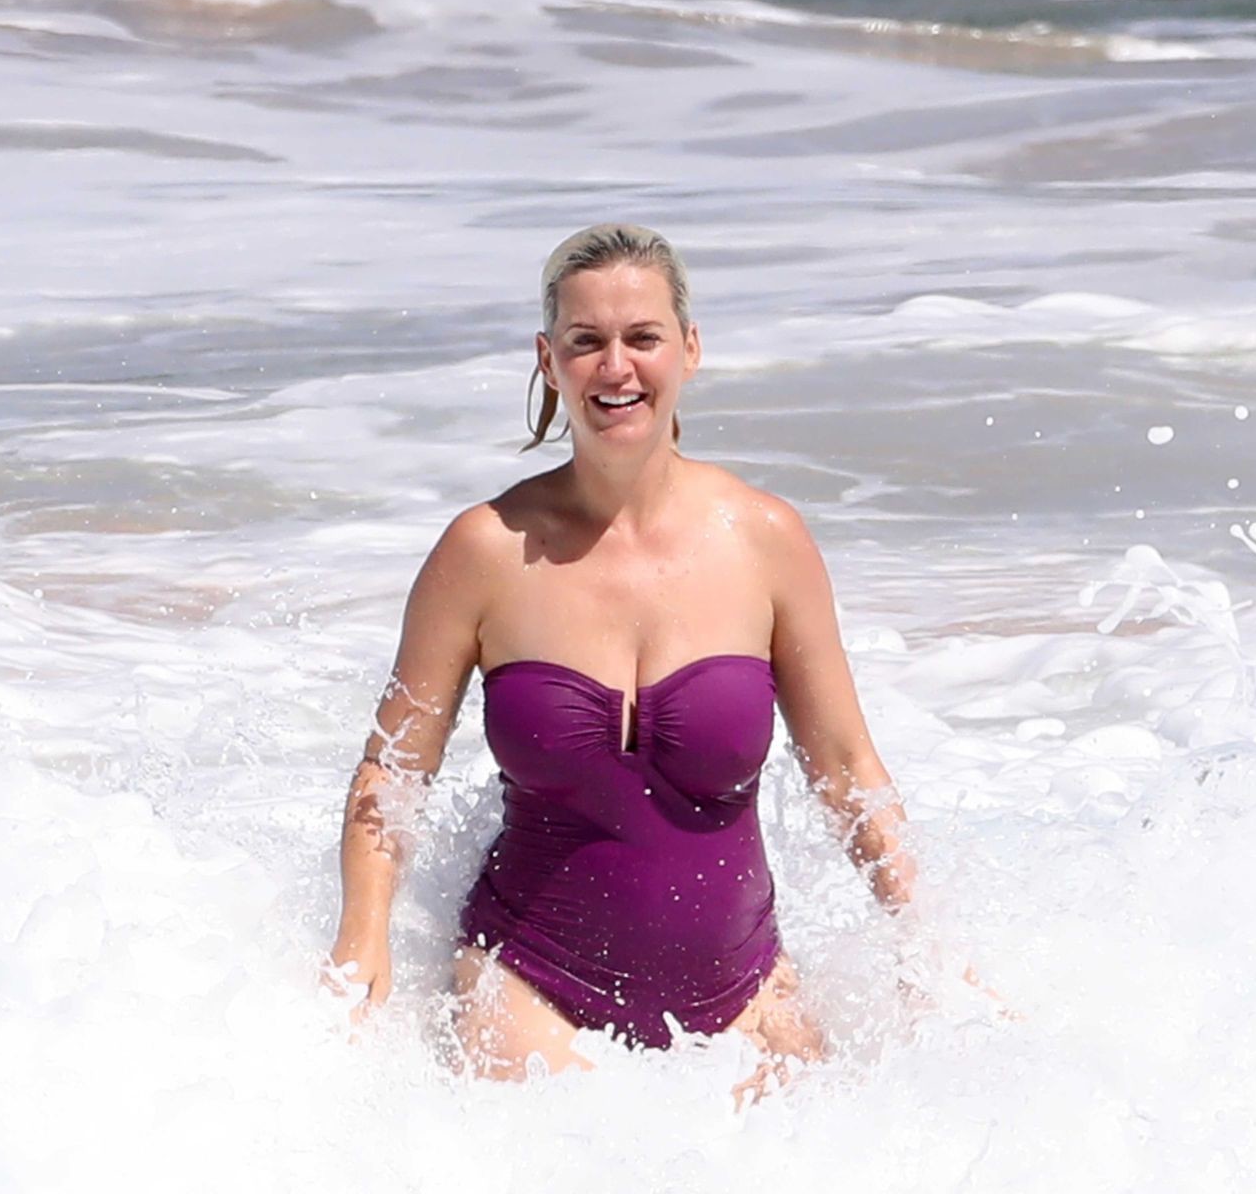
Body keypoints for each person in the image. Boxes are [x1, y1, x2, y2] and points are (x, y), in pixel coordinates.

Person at [322, 224, 918, 1102]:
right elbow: (393, 770)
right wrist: (362, 937)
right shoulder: (484, 551)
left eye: (642, 337)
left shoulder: (764, 540)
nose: (615, 367)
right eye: (585, 341)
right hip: (526, 986)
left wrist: (925, 946)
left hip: (746, 995)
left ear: (689, 348)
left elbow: (847, 768)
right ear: (548, 360)